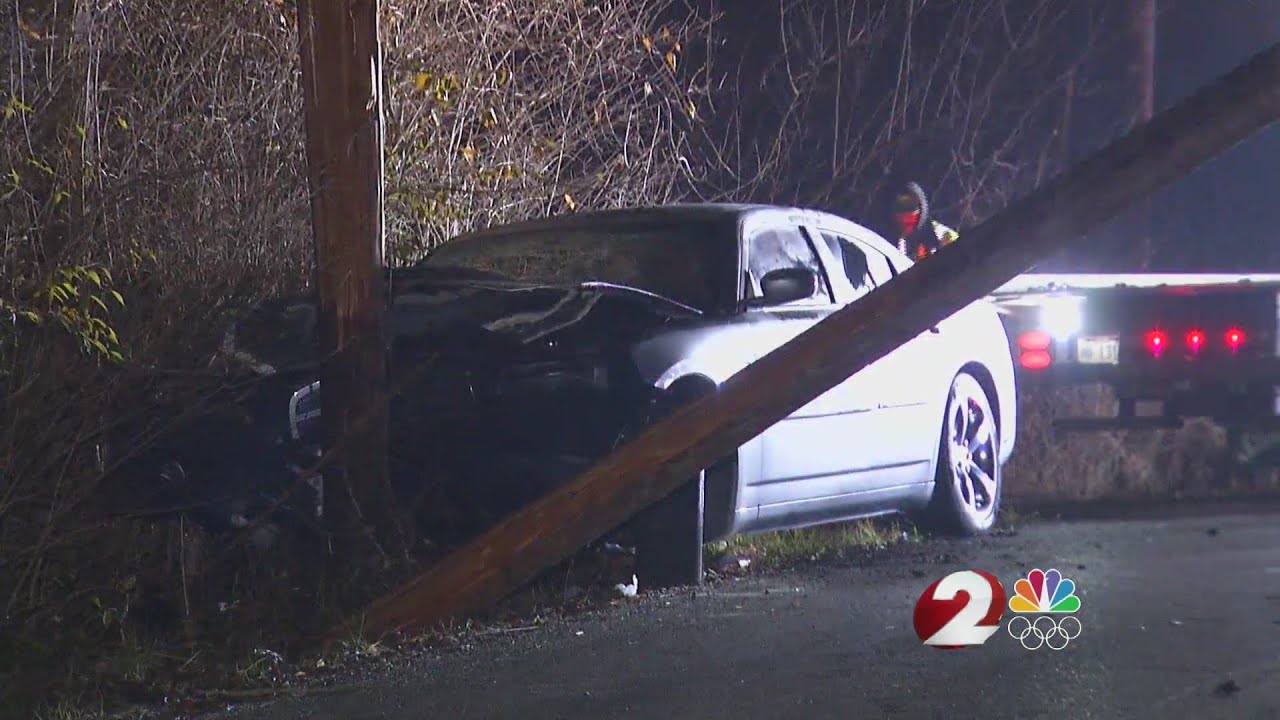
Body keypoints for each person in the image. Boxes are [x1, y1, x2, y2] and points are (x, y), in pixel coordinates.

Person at [893, 181, 959, 261]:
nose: (906, 213)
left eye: (911, 206)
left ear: (922, 209)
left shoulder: (945, 237)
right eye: (901, 207)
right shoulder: (898, 242)